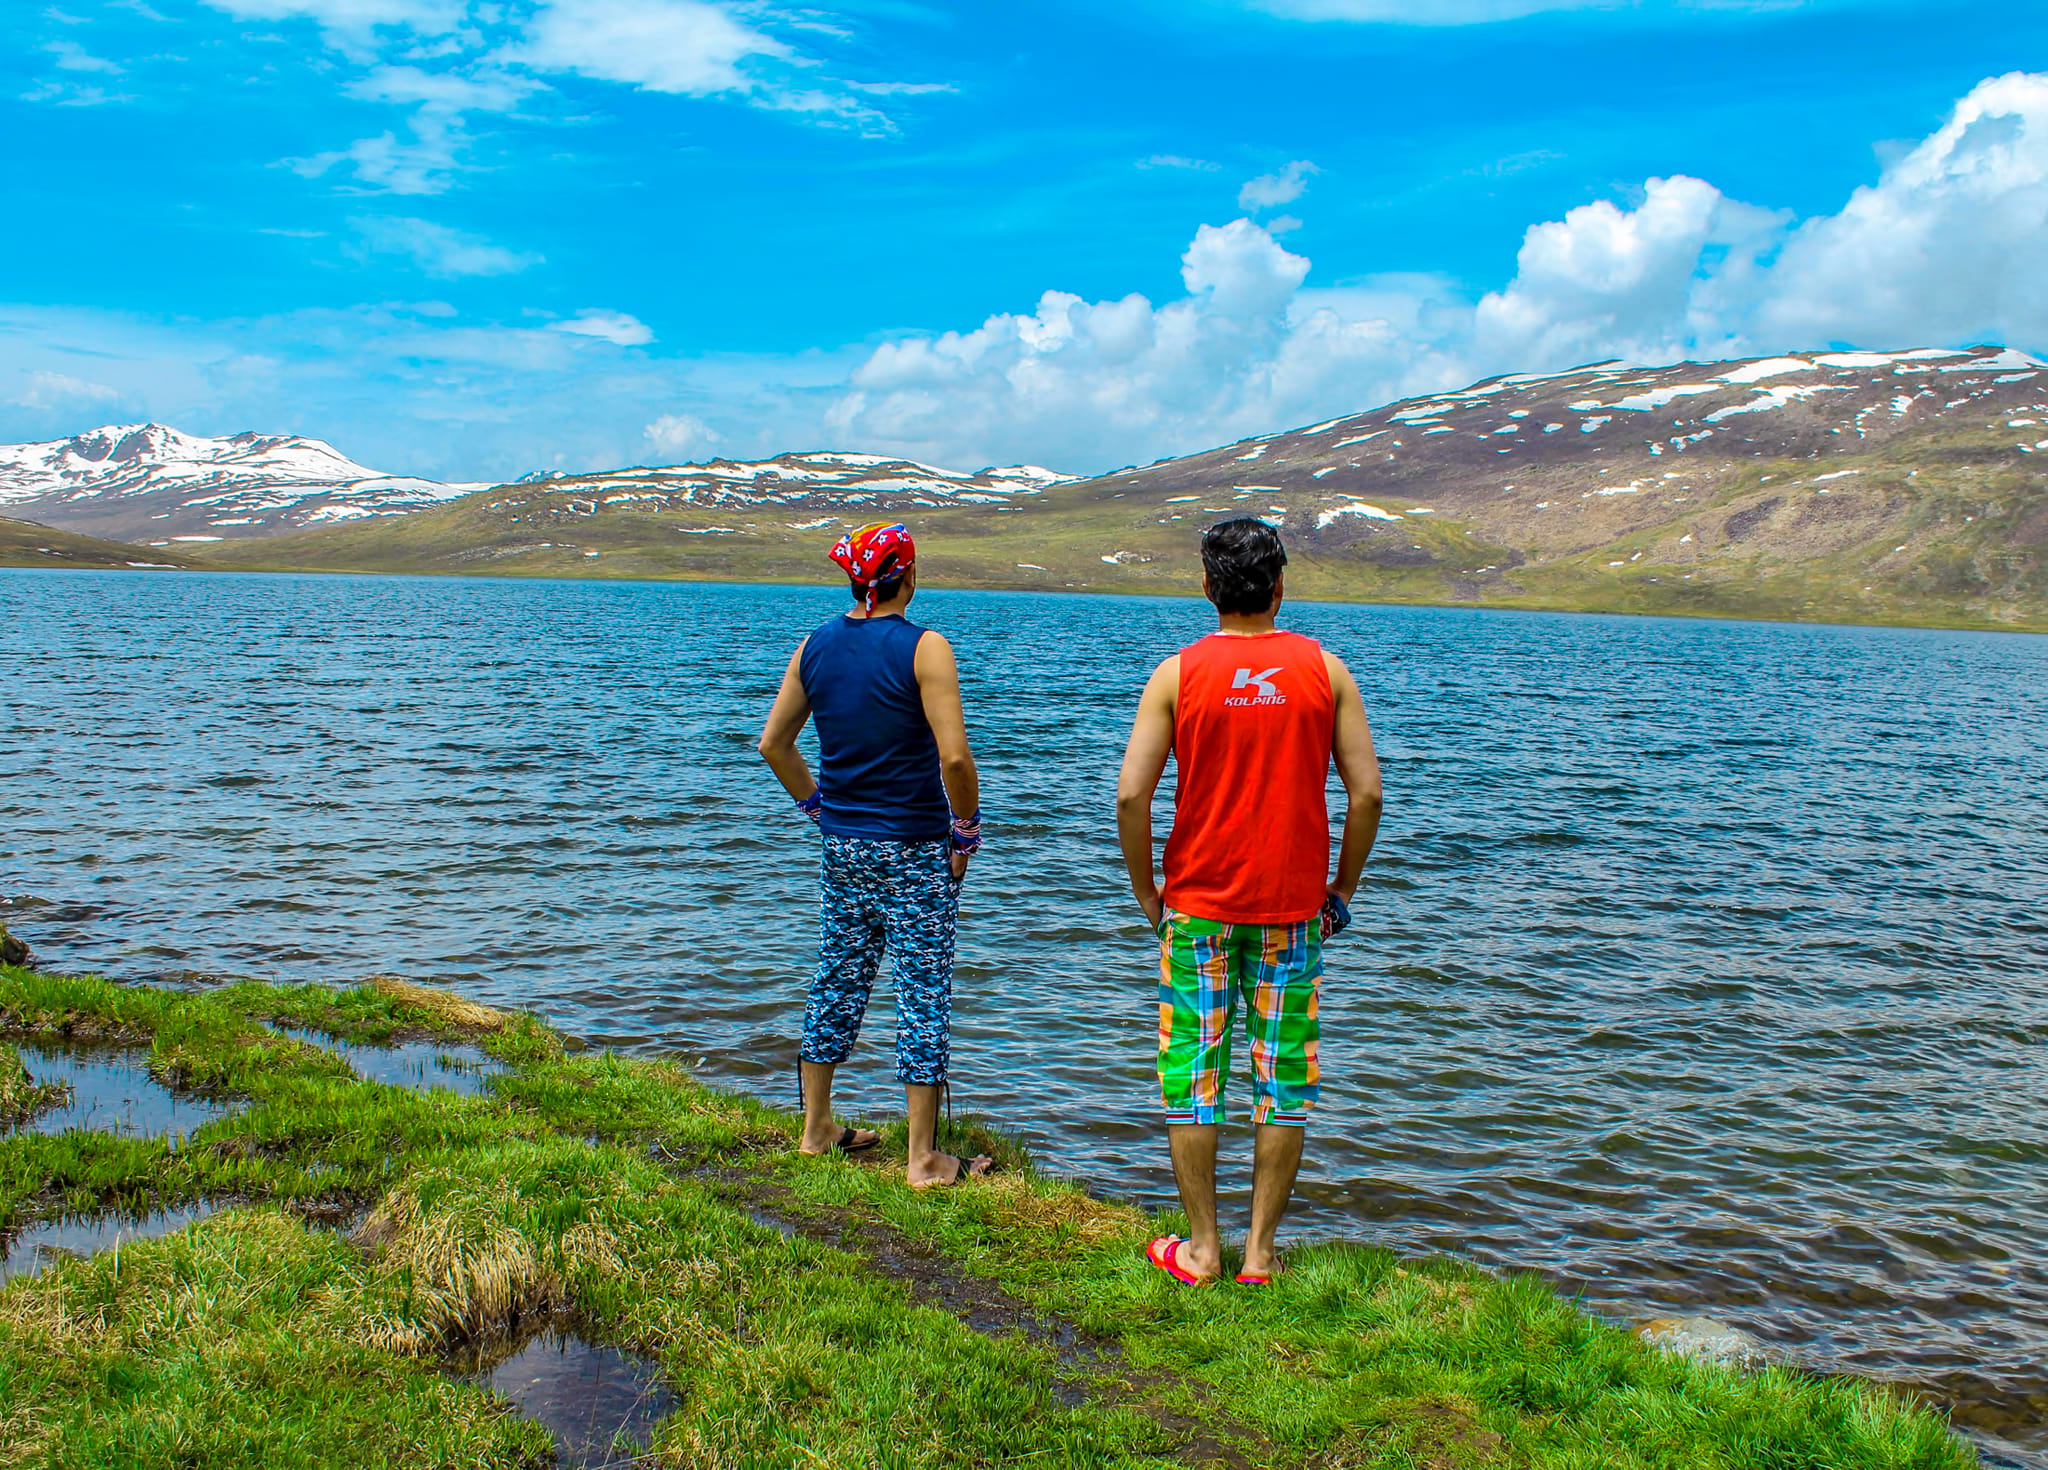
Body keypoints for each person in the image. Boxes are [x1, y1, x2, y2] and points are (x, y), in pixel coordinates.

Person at [1116, 518, 1383, 1285]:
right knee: (1282, 1078)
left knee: (1194, 1072)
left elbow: (1133, 796)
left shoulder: (1177, 673)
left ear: (1207, 587)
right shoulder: (1326, 671)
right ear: (1279, 587)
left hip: (1196, 907)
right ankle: (1260, 1255)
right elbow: (1365, 796)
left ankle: (1201, 1249)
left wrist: (1147, 894)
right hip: (1293, 913)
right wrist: (1341, 890)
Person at [757, 522, 994, 1188]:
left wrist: (817, 809)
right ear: (909, 578)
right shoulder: (927, 648)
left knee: (837, 975)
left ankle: (815, 1129)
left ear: (854, 581)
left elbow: (774, 744)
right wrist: (967, 828)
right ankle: (923, 1159)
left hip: (844, 845)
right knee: (922, 990)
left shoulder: (815, 646)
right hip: (916, 845)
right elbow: (953, 756)